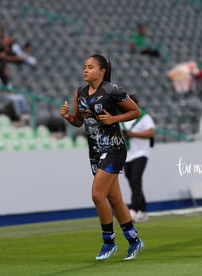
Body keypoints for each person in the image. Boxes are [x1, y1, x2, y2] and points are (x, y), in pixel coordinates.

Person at [60, 54, 144, 261]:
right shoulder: (79, 93)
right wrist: (68, 116)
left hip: (114, 148)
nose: (85, 70)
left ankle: (109, 242)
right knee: (115, 199)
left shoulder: (111, 90)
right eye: (84, 66)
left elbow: (136, 111)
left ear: (102, 71)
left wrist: (114, 118)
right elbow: (79, 123)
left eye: (90, 67)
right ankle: (134, 240)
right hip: (95, 151)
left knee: (98, 195)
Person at [121, 95, 155, 222]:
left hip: (141, 153)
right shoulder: (123, 119)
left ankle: (134, 209)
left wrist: (132, 134)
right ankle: (142, 209)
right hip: (127, 155)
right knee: (132, 181)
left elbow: (151, 133)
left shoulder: (144, 117)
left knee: (136, 179)